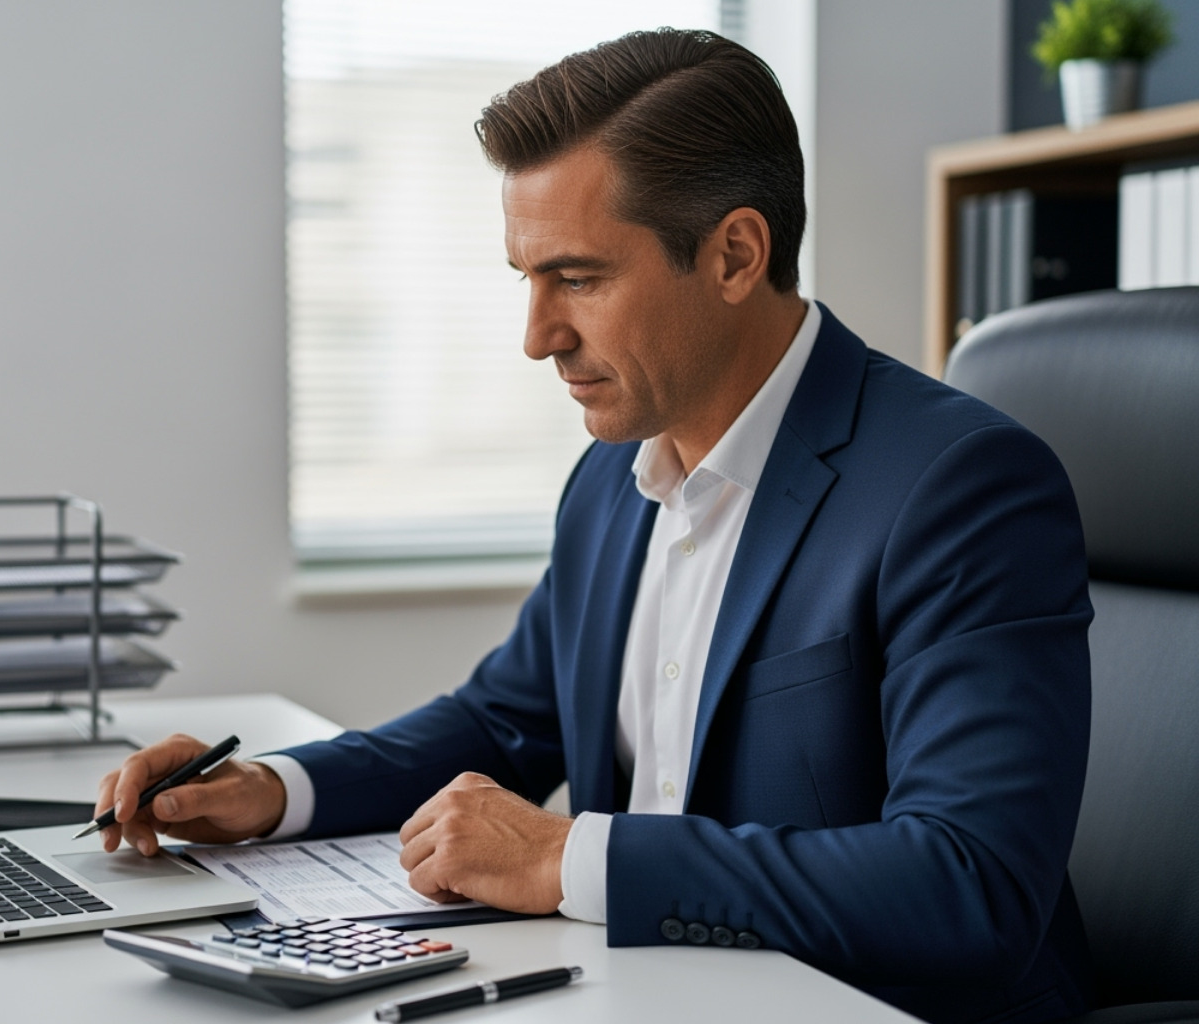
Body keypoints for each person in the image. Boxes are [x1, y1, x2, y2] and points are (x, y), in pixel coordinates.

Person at [95, 29, 1093, 1024]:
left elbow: (970, 883)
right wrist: (273, 790)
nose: (538, 337)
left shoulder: (958, 487)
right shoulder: (613, 477)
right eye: (526, 279)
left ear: (735, 255)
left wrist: (568, 856)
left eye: (577, 279)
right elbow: (504, 720)